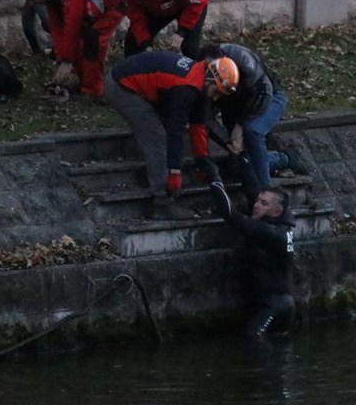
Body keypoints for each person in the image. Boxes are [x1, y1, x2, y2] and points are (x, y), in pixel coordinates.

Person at [103, 51, 239, 219]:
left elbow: (198, 126)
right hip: (122, 87)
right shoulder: (185, 89)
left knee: (164, 133)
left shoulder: (200, 79)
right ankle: (162, 202)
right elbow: (176, 131)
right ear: (211, 79)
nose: (216, 97)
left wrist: (202, 160)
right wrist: (175, 173)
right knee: (158, 138)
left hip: (145, 83)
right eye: (216, 92)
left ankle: (160, 177)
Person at [201, 43, 308, 203]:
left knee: (252, 130)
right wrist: (227, 141)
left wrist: (241, 125)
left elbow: (264, 93)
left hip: (269, 97)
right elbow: (205, 117)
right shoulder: (201, 73)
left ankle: (266, 194)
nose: (214, 97)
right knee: (237, 164)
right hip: (234, 108)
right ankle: (282, 159)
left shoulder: (243, 59)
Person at [13, 0, 124, 100]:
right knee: (78, 42)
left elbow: (73, 21)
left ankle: (94, 90)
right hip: (94, 1)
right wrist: (62, 59)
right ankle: (86, 83)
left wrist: (67, 60)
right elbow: (57, 27)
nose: (33, 2)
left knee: (93, 40)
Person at [210, 182, 296, 339]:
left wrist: (215, 181)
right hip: (279, 303)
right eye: (257, 201)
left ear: (277, 211)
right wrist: (243, 159)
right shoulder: (281, 227)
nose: (256, 206)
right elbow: (251, 184)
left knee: (253, 342)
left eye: (264, 203)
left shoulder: (268, 231)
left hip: (272, 306)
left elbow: (231, 216)